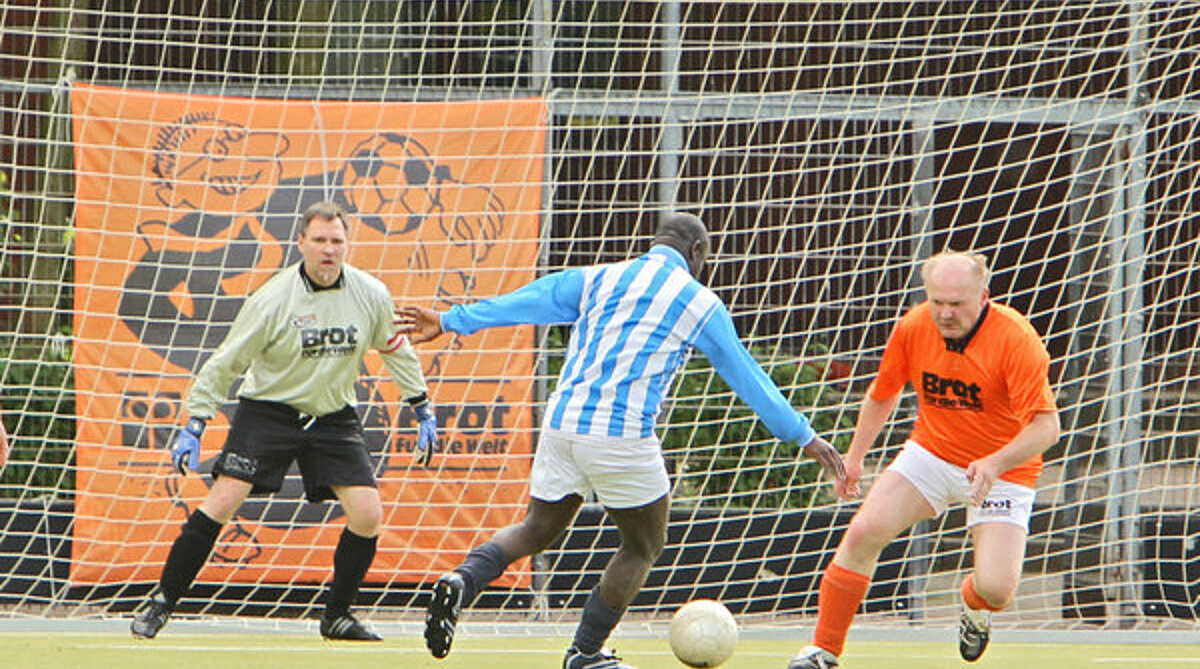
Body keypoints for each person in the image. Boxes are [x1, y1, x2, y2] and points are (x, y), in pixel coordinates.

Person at [400, 211, 846, 669]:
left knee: (538, 528)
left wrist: (454, 319)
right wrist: (804, 435)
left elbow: (532, 299)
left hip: (561, 424)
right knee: (643, 545)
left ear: (655, 243)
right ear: (696, 253)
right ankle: (586, 653)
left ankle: (462, 579)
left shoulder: (600, 277)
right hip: (620, 434)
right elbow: (748, 377)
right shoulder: (698, 301)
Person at [130, 201, 438, 641]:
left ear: (348, 244)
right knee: (223, 501)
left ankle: (337, 616)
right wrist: (195, 422)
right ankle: (161, 602)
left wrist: (421, 405)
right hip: (269, 413)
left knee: (368, 514)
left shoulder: (371, 293)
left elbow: (394, 348)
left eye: (337, 241)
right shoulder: (272, 299)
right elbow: (227, 361)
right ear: (301, 243)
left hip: (332, 416)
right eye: (319, 240)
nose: (328, 250)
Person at [787, 251, 1060, 669]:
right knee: (863, 532)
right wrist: (855, 458)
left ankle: (973, 603)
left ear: (984, 296)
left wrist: (994, 462)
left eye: (957, 303)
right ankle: (823, 652)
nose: (945, 313)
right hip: (931, 454)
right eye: (937, 302)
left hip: (1003, 472)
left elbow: (1047, 428)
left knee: (997, 589)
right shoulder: (915, 326)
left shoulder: (1016, 338)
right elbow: (883, 392)